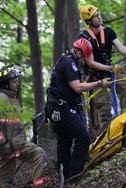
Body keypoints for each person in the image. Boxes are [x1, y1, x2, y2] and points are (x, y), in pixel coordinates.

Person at [0, 64, 51, 188]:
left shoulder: (9, 98)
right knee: (38, 153)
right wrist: (3, 143)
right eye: (15, 81)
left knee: (4, 176)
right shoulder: (2, 99)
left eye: (17, 80)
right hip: (12, 144)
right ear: (6, 83)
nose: (18, 83)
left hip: (9, 145)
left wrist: (3, 145)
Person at [45, 38, 112, 180]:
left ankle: (65, 176)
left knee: (65, 141)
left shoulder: (66, 61)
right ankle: (75, 172)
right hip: (62, 109)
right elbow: (78, 87)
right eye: (85, 58)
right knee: (83, 137)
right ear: (81, 53)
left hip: (57, 107)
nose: (83, 61)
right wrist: (99, 83)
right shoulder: (69, 63)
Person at [79, 4, 126, 131]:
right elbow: (91, 63)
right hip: (95, 78)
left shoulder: (108, 32)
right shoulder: (85, 38)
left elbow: (121, 48)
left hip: (110, 73)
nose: (99, 18)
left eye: (98, 14)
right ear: (88, 21)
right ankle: (108, 137)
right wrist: (110, 68)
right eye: (95, 16)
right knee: (104, 107)